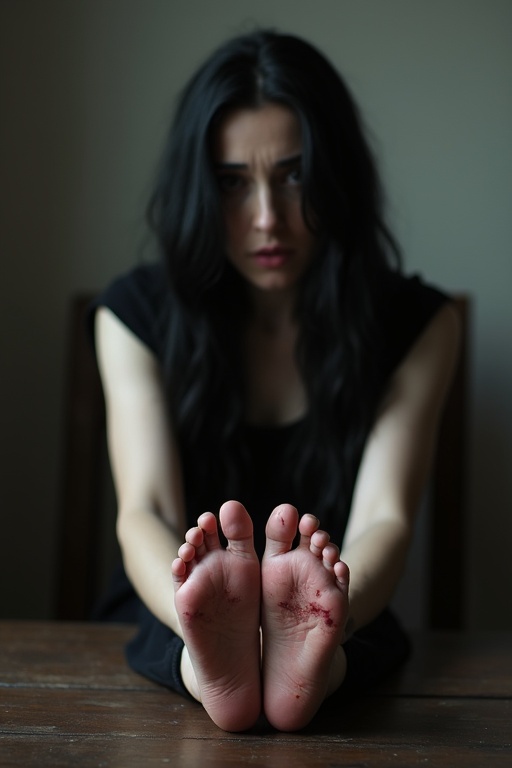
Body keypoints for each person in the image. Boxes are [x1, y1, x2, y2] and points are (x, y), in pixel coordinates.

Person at [90, 30, 460, 733]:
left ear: (337, 176)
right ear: (198, 188)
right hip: (169, 609)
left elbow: (385, 518)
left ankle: (314, 660)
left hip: (344, 606)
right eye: (233, 183)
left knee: (354, 629)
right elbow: (144, 509)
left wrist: (333, 610)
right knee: (174, 626)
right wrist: (194, 611)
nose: (267, 217)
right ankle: (209, 663)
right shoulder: (134, 315)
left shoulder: (415, 324)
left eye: (293, 176)